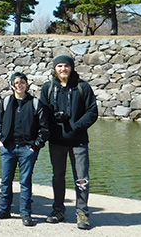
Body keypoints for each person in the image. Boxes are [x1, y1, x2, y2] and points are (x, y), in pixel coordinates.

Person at [40, 55, 98, 230]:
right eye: (59, 66)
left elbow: (92, 112)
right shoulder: (48, 88)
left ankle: (82, 213)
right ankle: (58, 210)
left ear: (71, 68)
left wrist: (76, 126)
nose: (63, 69)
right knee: (58, 177)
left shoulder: (83, 87)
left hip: (78, 141)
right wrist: (52, 122)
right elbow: (42, 113)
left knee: (81, 179)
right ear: (55, 69)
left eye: (66, 66)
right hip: (56, 142)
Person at [0, 72, 49, 226]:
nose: (19, 85)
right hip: (8, 147)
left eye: (22, 82)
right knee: (5, 180)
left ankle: (25, 213)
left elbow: (44, 128)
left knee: (25, 182)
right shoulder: (6, 102)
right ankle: (4, 209)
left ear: (27, 84)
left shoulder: (36, 103)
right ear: (12, 85)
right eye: (16, 83)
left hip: (27, 149)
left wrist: (36, 145)